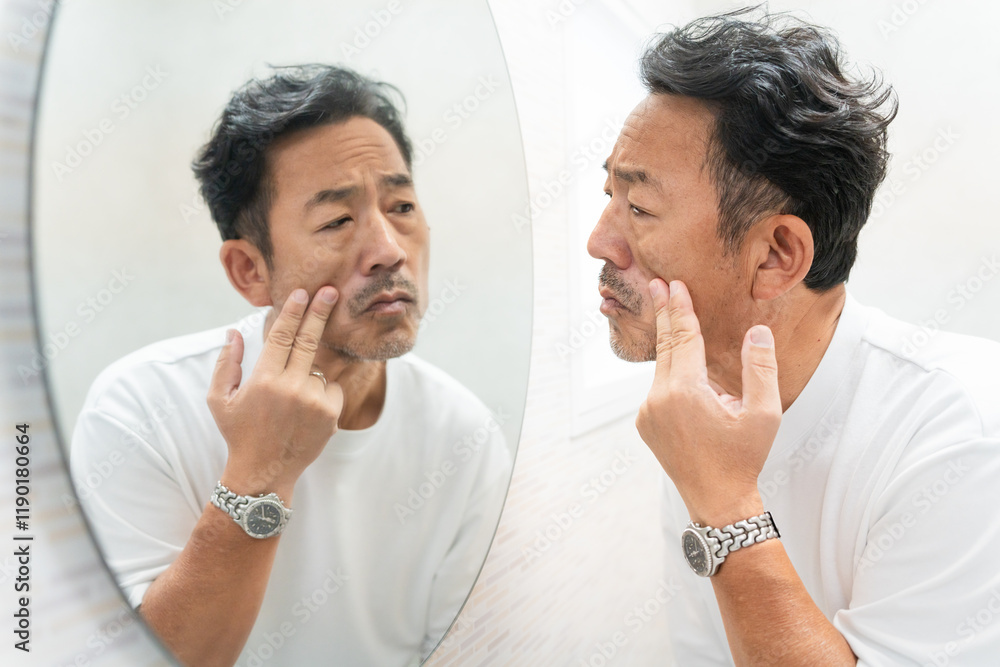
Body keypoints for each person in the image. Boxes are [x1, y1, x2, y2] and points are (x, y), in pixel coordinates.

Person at [587, 9, 1000, 666]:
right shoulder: (697, 414)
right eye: (608, 194)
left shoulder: (963, 436)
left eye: (638, 208)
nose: (599, 242)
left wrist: (726, 504)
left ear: (778, 255)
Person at [69, 65, 511, 667]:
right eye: (337, 221)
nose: (389, 250)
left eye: (402, 205)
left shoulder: (466, 435)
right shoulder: (138, 409)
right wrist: (260, 472)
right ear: (250, 270)